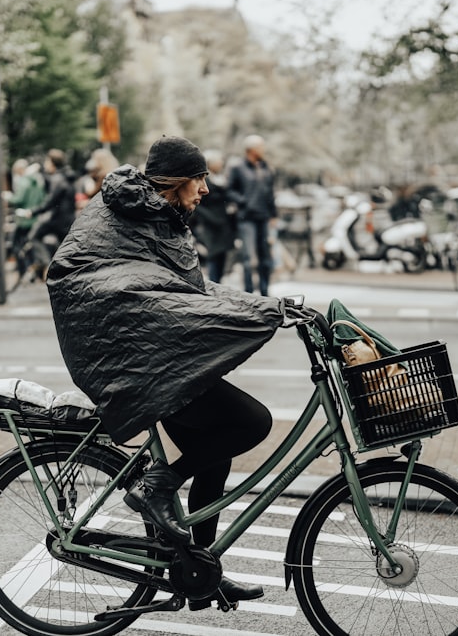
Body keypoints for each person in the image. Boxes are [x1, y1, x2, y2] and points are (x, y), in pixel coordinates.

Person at [47, 135, 303, 610]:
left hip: (152, 357)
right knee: (251, 423)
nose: (205, 189)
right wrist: (260, 312)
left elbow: (189, 291)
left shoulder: (159, 216)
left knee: (215, 450)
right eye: (200, 178)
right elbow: (119, 286)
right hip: (134, 361)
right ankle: (157, 485)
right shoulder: (129, 217)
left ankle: (202, 571)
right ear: (177, 181)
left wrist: (271, 306)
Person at [228, 134, 277, 295]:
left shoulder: (266, 168)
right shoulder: (237, 167)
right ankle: (248, 292)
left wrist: (273, 215)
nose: (263, 150)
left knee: (265, 258)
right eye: (261, 146)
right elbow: (229, 191)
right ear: (252, 149)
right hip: (246, 218)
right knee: (249, 258)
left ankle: (265, 291)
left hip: (263, 218)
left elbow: (270, 194)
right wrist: (243, 201)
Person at [17, 149, 77, 279]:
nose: (45, 164)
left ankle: (48, 265)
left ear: (52, 163)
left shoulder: (57, 179)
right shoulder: (66, 176)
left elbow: (49, 202)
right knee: (68, 250)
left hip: (57, 220)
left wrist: (32, 212)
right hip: (69, 219)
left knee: (34, 236)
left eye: (46, 161)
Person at [189, 149, 236, 282]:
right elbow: (199, 205)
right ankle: (214, 283)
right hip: (209, 223)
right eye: (219, 161)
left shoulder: (222, 179)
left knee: (222, 256)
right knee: (213, 256)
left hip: (222, 223)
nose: (221, 163)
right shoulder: (204, 181)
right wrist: (209, 217)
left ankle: (218, 282)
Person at [4, 159, 46, 278]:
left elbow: (19, 199)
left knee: (16, 245)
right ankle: (33, 268)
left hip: (23, 219)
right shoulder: (38, 180)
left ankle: (23, 270)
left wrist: (8, 197)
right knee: (30, 243)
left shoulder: (24, 181)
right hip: (34, 217)